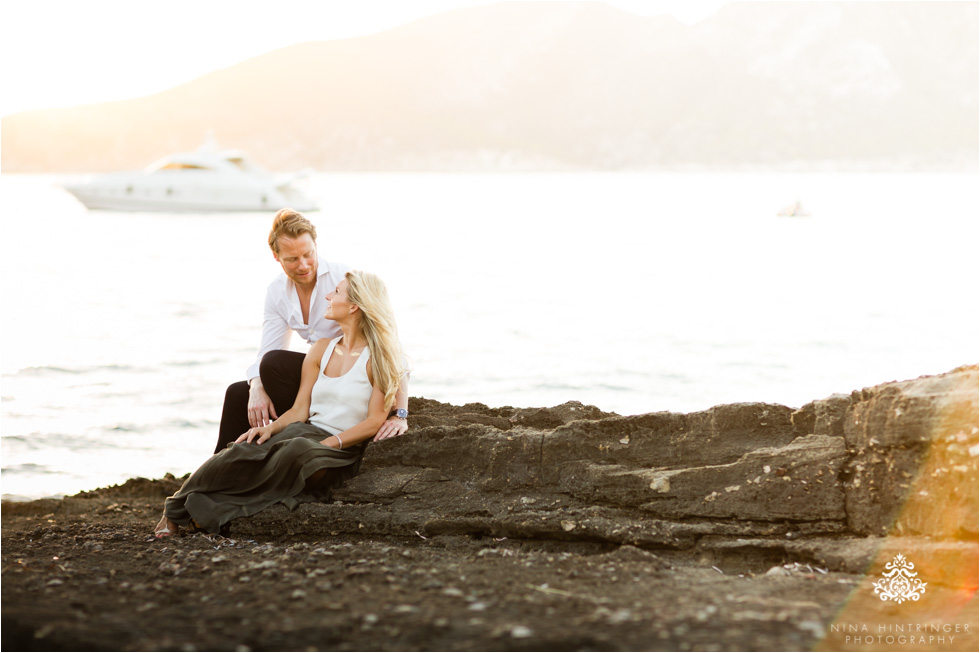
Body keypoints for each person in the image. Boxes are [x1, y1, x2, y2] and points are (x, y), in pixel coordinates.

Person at [155, 270, 406, 536]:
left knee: (297, 450)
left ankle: (200, 510)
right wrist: (270, 429)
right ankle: (173, 509)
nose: (328, 296)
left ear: (354, 306)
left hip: (339, 448)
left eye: (336, 292)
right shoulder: (321, 349)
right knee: (242, 448)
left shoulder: (378, 358)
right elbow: (300, 410)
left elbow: (374, 421)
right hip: (305, 433)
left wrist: (330, 443)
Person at [215, 208, 409, 453]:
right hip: (319, 373)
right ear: (276, 257)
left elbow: (393, 349)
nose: (303, 265)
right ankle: (220, 465)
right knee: (238, 394)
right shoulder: (277, 292)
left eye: (308, 254)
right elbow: (268, 349)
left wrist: (400, 413)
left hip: (355, 381)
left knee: (274, 363)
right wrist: (257, 388)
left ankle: (303, 429)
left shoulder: (344, 281)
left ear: (316, 245)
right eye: (292, 259)